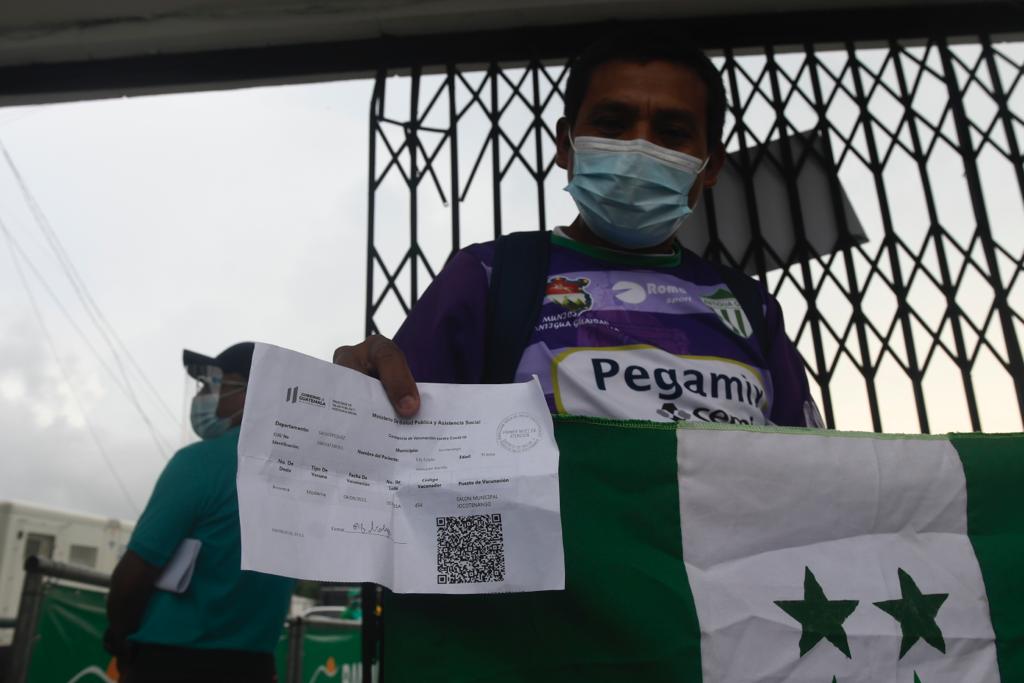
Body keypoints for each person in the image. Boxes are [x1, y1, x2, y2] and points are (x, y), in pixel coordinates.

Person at [334, 32, 822, 429]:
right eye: (612, 124)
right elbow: (395, 446)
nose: (638, 149)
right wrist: (344, 398)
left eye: (672, 133)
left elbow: (813, 477)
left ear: (709, 164)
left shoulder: (749, 307)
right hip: (538, 554)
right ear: (565, 146)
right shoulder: (489, 276)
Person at [105, 342, 295, 683]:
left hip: (170, 663)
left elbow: (134, 575)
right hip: (256, 665)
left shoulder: (198, 462)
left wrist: (119, 635)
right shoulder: (301, 474)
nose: (201, 396)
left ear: (250, 393)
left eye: (211, 384)